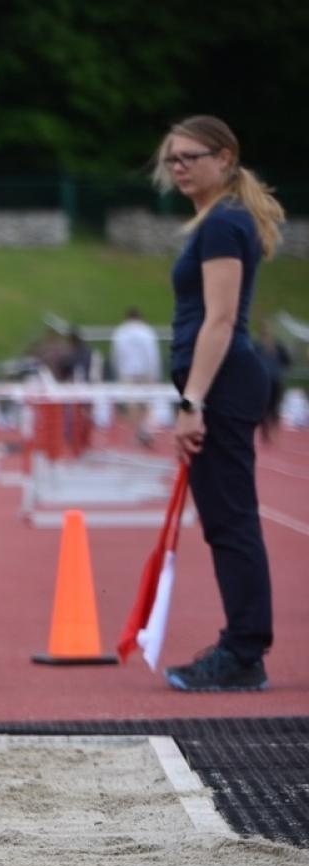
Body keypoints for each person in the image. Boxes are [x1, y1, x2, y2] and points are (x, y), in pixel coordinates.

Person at [155, 115, 284, 693]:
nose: (178, 167)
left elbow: (222, 319)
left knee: (231, 521)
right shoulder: (219, 222)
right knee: (226, 519)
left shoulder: (223, 224)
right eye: (172, 159)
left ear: (225, 158)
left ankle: (243, 652)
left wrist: (192, 401)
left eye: (190, 157)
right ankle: (242, 645)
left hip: (223, 382)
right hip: (220, 380)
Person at [111, 307, 163, 446]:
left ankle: (140, 431)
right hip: (146, 371)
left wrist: (118, 371)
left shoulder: (121, 332)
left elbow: (116, 355)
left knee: (133, 404)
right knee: (147, 403)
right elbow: (152, 354)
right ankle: (146, 430)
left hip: (127, 371)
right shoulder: (146, 331)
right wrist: (155, 373)